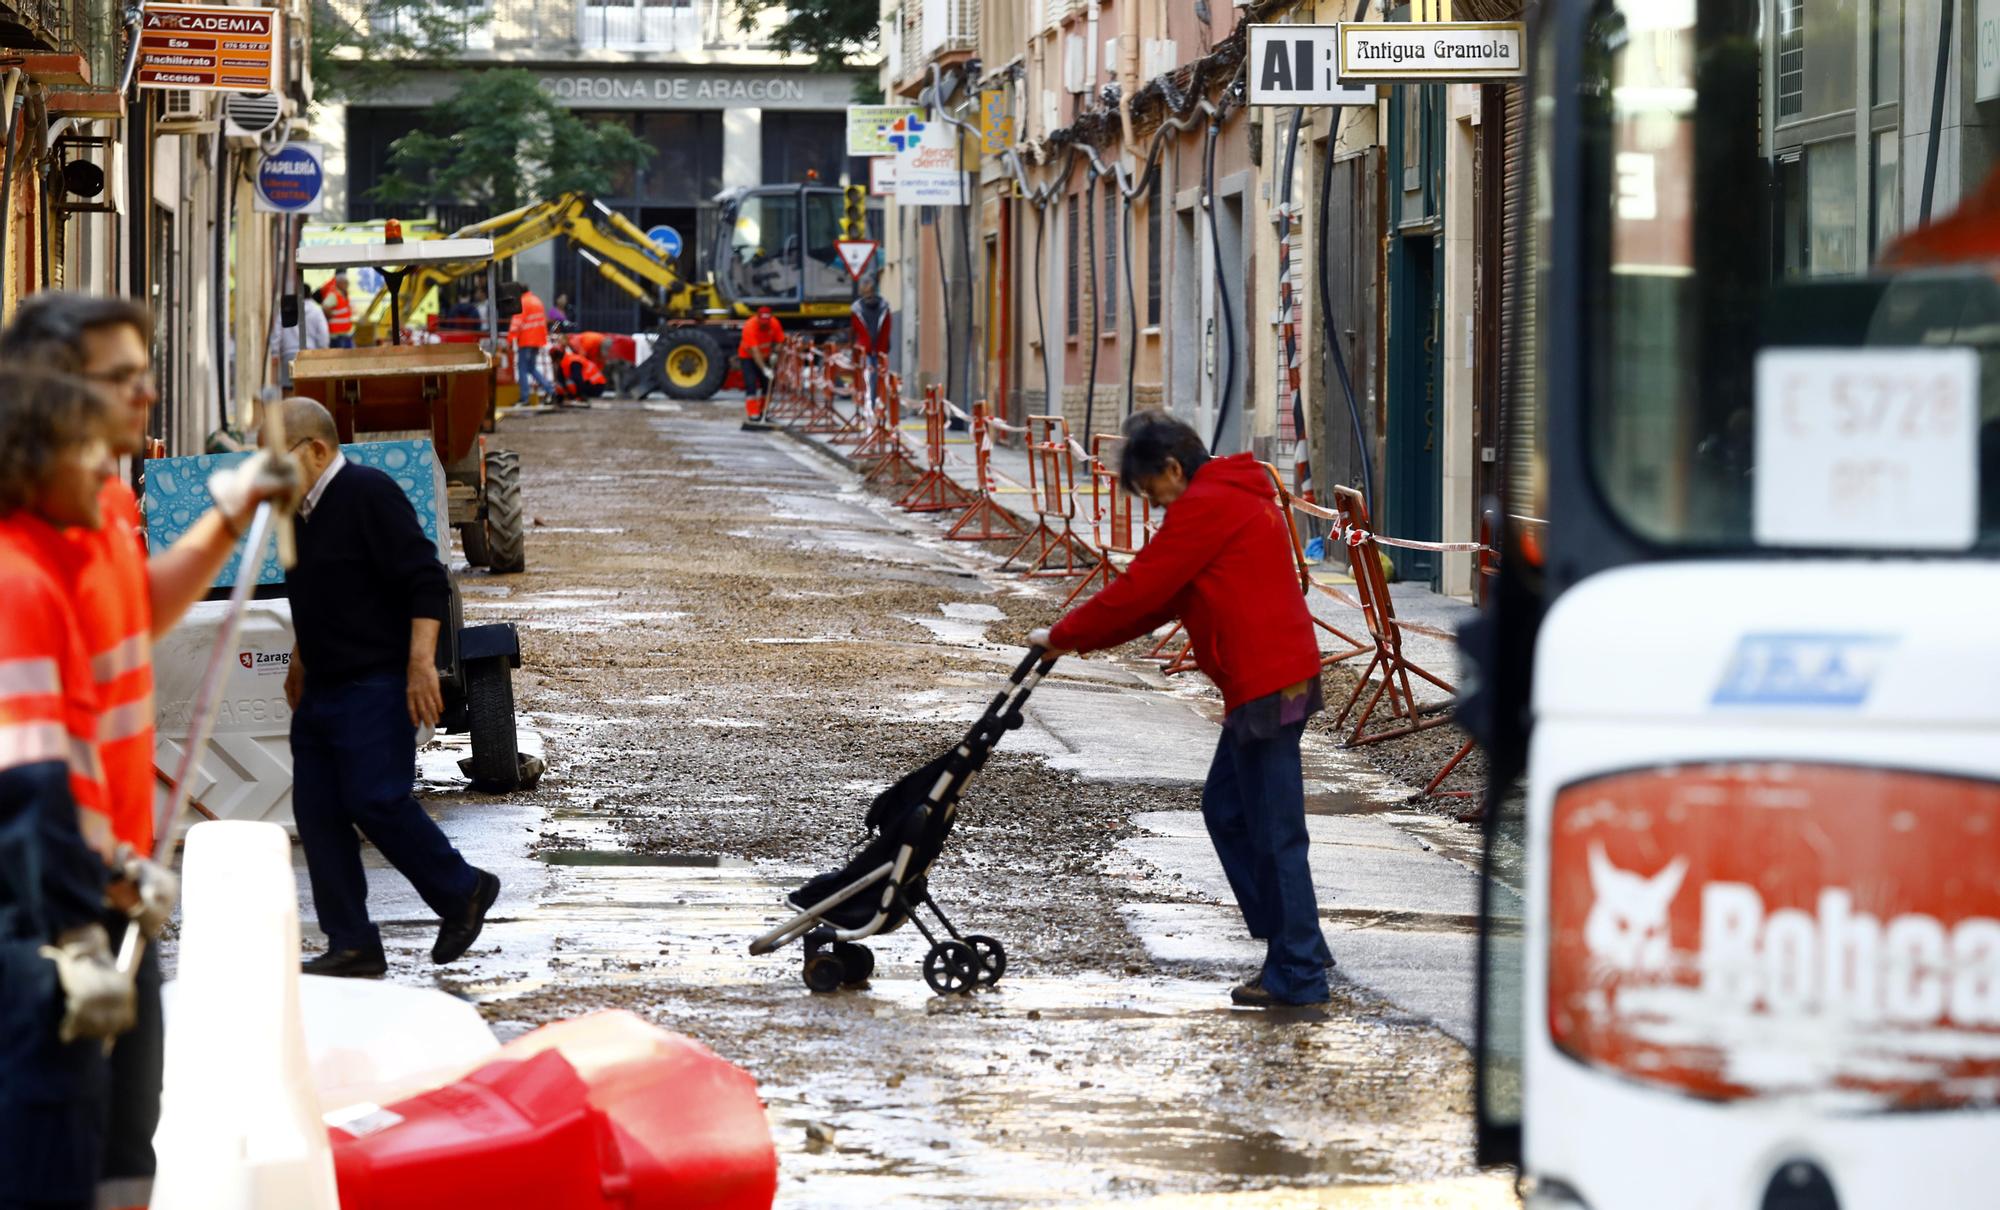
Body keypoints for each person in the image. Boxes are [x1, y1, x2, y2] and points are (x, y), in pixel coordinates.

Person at [0, 293, 299, 1209]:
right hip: (46, 920)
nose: (146, 391)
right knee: (51, 1169)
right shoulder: (17, 561)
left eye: (146, 369)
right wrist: (82, 921)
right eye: (121, 376)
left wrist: (226, 516)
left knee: (124, 1163)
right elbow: (26, 783)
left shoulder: (98, 508)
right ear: (53, 390)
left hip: (113, 897)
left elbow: (134, 616)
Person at [1028, 411, 1333, 1009]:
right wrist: (1074, 639)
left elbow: (1141, 588)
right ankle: (1299, 942)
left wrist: (1065, 633)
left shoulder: (1204, 507)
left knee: (1273, 832)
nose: (1153, 503)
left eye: (1150, 490)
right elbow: (1160, 599)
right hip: (1274, 677)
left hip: (1266, 681)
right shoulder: (1227, 495)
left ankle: (1297, 969)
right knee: (1229, 811)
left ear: (1173, 468)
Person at [272, 397, 500, 979]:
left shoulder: (368, 494)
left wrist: (422, 664)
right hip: (323, 685)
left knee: (376, 797)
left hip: (376, 679)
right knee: (318, 813)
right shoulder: (296, 512)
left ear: (316, 450)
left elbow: (425, 580)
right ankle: (352, 943)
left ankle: (463, 889)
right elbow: (319, 594)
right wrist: (300, 655)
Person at [0, 368, 135, 1210]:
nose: (107, 469)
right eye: (89, 450)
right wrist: (82, 928)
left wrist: (115, 864)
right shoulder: (19, 585)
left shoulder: (37, 576)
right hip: (32, 944)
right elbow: (28, 784)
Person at [849, 275, 893, 416]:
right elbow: (855, 330)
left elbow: (886, 329)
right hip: (868, 350)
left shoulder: (882, 309)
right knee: (869, 379)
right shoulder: (859, 310)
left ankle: (872, 406)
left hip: (875, 350)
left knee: (875, 380)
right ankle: (869, 405)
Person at [506, 282, 555, 406]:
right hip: (537, 340)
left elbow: (516, 323)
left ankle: (524, 398)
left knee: (522, 368)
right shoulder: (536, 300)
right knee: (531, 367)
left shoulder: (522, 303)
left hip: (527, 340)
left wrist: (510, 340)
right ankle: (550, 390)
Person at [736, 306, 785, 429]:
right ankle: (753, 415)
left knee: (768, 384)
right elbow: (755, 352)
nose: (764, 325)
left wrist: (775, 353)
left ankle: (764, 412)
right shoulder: (749, 326)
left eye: (766, 323)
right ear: (758, 319)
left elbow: (780, 341)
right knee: (751, 383)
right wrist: (764, 369)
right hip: (748, 357)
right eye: (762, 323)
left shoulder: (774, 324)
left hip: (766, 355)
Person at [552, 334, 607, 405]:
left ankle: (580, 396)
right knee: (570, 383)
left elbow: (577, 379)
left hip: (597, 386)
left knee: (572, 383)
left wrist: (578, 396)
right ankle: (577, 396)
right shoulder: (567, 361)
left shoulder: (573, 361)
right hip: (594, 384)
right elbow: (560, 381)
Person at [320, 271, 355, 349]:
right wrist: (330, 315)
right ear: (339, 283)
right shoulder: (334, 294)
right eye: (345, 282)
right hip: (337, 336)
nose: (347, 284)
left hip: (344, 334)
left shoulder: (342, 294)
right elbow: (325, 307)